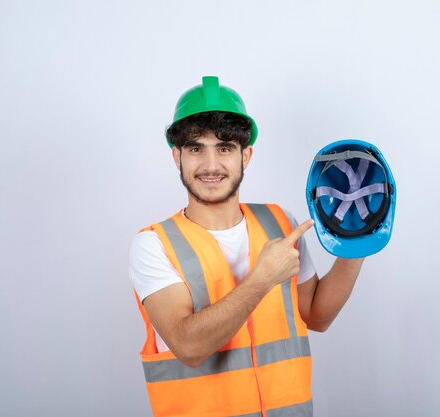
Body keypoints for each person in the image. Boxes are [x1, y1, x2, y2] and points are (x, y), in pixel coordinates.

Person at [129, 76, 364, 417]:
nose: (211, 165)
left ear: (246, 155)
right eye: (196, 148)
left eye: (224, 148)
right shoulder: (153, 245)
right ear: (177, 156)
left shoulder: (279, 222)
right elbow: (188, 346)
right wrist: (262, 279)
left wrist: (356, 242)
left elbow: (317, 315)